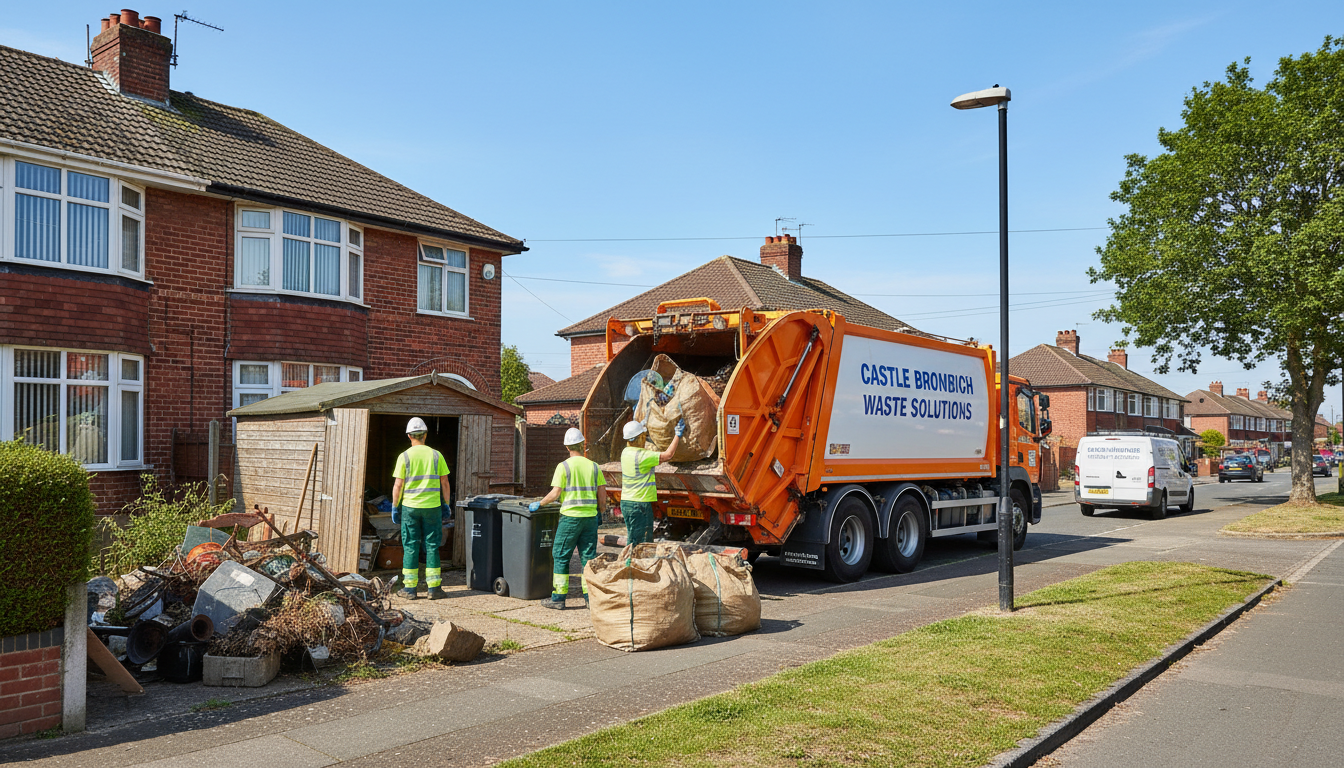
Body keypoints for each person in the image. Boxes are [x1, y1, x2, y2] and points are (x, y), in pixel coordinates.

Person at [530, 428, 606, 610]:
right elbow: (602, 496)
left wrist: (539, 504)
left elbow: (555, 493)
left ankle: (558, 598)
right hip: (590, 518)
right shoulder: (594, 467)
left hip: (570, 518)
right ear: (582, 444)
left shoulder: (563, 467)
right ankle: (589, 598)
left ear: (566, 446)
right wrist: (600, 512)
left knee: (561, 555)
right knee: (588, 558)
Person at [391, 417, 450, 600]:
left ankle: (409, 589)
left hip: (410, 508)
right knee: (432, 546)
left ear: (409, 436)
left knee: (410, 546)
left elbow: (398, 485)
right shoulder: (436, 455)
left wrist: (395, 506)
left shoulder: (404, 457)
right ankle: (434, 589)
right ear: (425, 435)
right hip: (432, 507)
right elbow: (445, 482)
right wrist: (446, 504)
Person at [620, 418, 683, 545]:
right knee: (643, 543)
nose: (645, 438)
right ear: (639, 438)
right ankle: (637, 564)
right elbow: (668, 455)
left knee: (633, 540)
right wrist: (677, 435)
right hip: (640, 504)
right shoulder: (643, 456)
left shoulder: (625, 452)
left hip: (627, 503)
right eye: (644, 436)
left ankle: (629, 562)